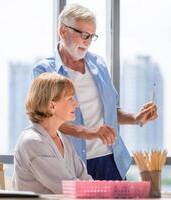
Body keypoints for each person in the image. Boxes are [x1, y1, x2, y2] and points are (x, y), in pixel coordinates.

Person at [33, 4, 158, 180]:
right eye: (83, 34)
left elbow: (110, 112)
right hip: (72, 163)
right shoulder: (44, 71)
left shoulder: (98, 64)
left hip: (110, 160)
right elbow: (48, 121)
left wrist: (136, 118)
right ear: (63, 31)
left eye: (92, 36)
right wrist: (90, 132)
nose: (88, 41)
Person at [12, 73, 92, 194]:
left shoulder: (63, 139)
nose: (76, 104)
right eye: (70, 98)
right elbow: (66, 187)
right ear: (51, 106)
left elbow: (85, 180)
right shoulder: (32, 142)